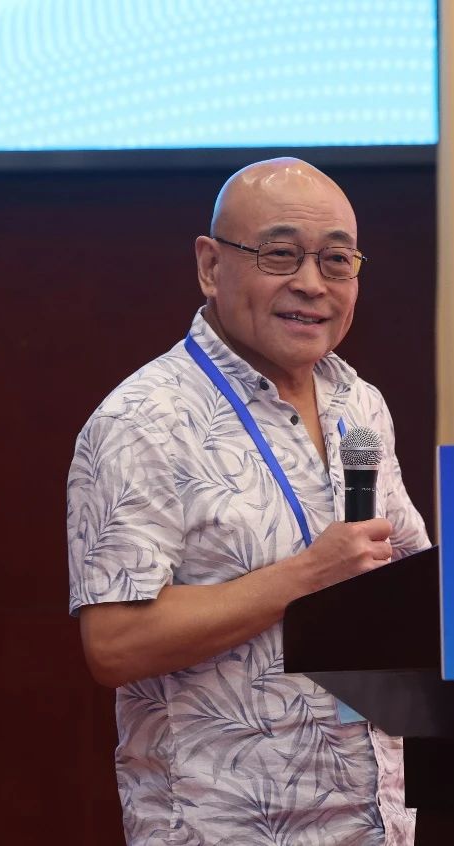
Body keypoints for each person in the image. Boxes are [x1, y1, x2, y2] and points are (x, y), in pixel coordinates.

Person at [66, 158, 429, 844]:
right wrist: (306, 578)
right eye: (280, 254)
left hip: (381, 821)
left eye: (336, 260)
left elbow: (407, 573)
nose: (312, 283)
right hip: (226, 827)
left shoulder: (359, 403)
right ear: (210, 266)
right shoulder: (142, 421)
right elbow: (114, 644)